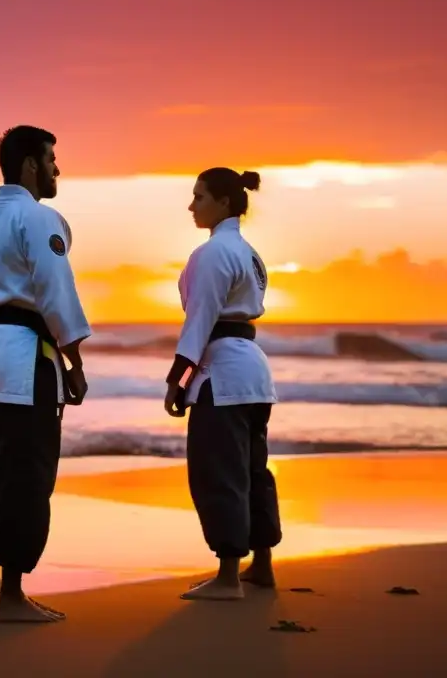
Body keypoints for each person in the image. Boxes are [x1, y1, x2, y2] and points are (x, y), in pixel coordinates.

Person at [0, 125, 91, 623]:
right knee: (27, 475)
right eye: (52, 159)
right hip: (26, 359)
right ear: (30, 164)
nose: (57, 169)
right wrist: (73, 361)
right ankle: (12, 594)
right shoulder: (38, 217)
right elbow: (56, 291)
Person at [163, 167, 281, 601]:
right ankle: (261, 565)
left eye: (199, 196)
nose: (192, 205)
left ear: (225, 203)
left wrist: (178, 378)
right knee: (252, 471)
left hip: (225, 375)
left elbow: (200, 320)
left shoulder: (212, 253)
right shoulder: (248, 253)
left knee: (219, 472)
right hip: (253, 372)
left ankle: (229, 575)